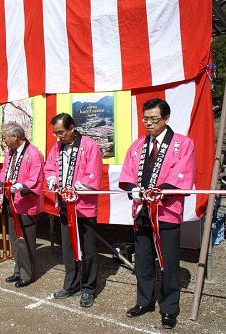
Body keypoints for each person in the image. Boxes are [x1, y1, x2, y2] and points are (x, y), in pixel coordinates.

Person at [119, 98, 196, 330]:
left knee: (168, 262)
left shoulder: (182, 144)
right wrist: (132, 188)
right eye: (146, 119)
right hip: (142, 212)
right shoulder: (138, 144)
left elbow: (183, 175)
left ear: (166, 118)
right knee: (142, 261)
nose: (149, 123)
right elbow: (128, 173)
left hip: (166, 212)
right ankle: (144, 301)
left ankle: (170, 308)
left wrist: (157, 193)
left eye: (154, 119)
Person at [44, 113, 103, 307]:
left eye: (61, 132)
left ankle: (88, 288)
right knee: (68, 248)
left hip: (83, 206)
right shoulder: (57, 147)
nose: (58, 137)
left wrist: (77, 186)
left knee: (87, 249)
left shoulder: (89, 146)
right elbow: (50, 168)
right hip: (63, 205)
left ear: (72, 128)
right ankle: (71, 284)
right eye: (55, 133)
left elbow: (93, 174)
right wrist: (52, 180)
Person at [0, 122, 44, 288]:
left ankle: (27, 274)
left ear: (15, 137)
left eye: (5, 137)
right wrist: (1, 183)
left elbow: (35, 178)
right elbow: (4, 171)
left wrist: (22, 186)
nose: (4, 141)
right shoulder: (10, 152)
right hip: (12, 201)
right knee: (15, 239)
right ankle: (18, 270)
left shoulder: (34, 153)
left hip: (26, 203)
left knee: (25, 239)